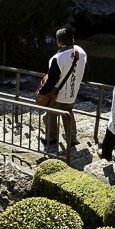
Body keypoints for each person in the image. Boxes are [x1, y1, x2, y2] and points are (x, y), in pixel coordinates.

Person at [38, 28, 86, 160]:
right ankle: (72, 139)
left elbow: (52, 81)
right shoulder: (81, 52)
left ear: (59, 42)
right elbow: (85, 70)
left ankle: (51, 139)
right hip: (72, 91)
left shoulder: (57, 58)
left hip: (58, 94)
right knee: (68, 114)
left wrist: (41, 93)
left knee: (50, 114)